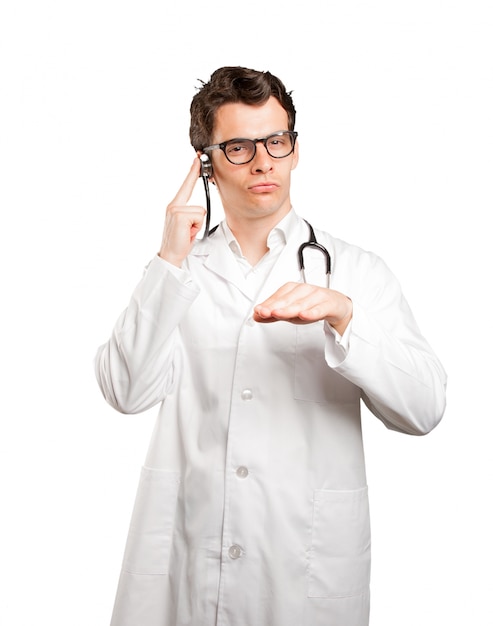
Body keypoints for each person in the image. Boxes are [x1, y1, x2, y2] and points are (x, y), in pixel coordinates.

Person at [95, 66, 447, 626]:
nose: (263, 162)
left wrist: (343, 316)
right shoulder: (178, 275)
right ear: (205, 164)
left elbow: (424, 409)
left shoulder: (355, 271)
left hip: (304, 565)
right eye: (238, 147)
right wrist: (168, 262)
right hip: (192, 555)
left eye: (276, 141)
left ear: (294, 150)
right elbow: (124, 392)